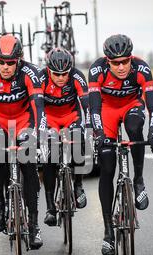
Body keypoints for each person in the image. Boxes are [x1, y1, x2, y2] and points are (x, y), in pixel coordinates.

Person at [88, 34, 153, 255]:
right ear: (107, 60)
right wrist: (99, 134)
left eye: (125, 61)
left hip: (131, 105)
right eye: (115, 63)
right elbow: (93, 109)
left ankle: (138, 180)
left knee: (135, 130)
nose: (121, 67)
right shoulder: (96, 70)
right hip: (107, 111)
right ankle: (108, 233)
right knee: (107, 169)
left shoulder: (142, 68)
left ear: (131, 58)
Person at [0, 35, 47, 249]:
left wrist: (40, 136)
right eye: (1, 62)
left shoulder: (30, 73)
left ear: (19, 60)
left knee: (30, 167)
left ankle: (33, 226)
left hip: (24, 122)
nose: (6, 67)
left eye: (11, 63)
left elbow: (39, 108)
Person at [40, 48, 90, 227]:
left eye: (64, 74)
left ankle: (78, 185)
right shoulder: (40, 78)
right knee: (48, 157)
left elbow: (87, 106)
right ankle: (50, 208)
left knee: (79, 142)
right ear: (48, 70)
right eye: (56, 74)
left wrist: (90, 129)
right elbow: (35, 107)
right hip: (49, 118)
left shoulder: (77, 77)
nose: (61, 78)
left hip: (71, 116)